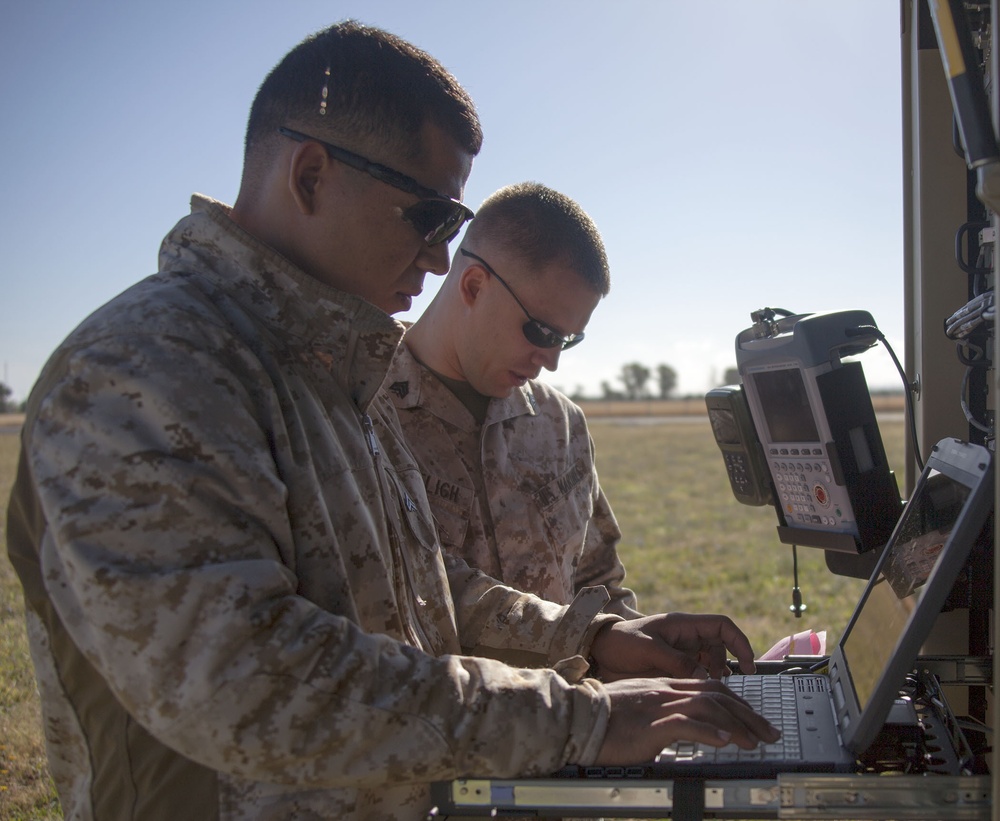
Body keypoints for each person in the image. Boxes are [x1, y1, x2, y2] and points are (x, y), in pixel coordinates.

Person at [5, 20, 778, 821]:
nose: (444, 258)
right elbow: (248, 681)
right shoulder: (150, 366)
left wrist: (592, 638)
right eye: (428, 217)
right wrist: (586, 716)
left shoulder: (331, 371)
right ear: (310, 176)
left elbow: (427, 599)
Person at [388, 182, 640, 618]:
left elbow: (599, 587)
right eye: (542, 332)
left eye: (568, 339)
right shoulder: (364, 408)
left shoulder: (561, 423)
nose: (552, 361)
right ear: (474, 286)